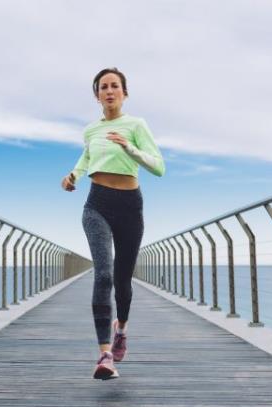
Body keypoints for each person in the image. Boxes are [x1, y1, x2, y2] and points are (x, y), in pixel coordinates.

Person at [60, 67, 165, 380]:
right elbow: (86, 157)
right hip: (97, 205)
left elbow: (159, 167)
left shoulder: (136, 125)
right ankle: (105, 354)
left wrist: (129, 149)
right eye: (103, 87)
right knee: (103, 275)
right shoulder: (91, 130)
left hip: (130, 206)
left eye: (114, 86)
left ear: (124, 93)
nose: (109, 91)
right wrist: (73, 176)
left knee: (122, 280)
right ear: (97, 96)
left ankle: (122, 329)